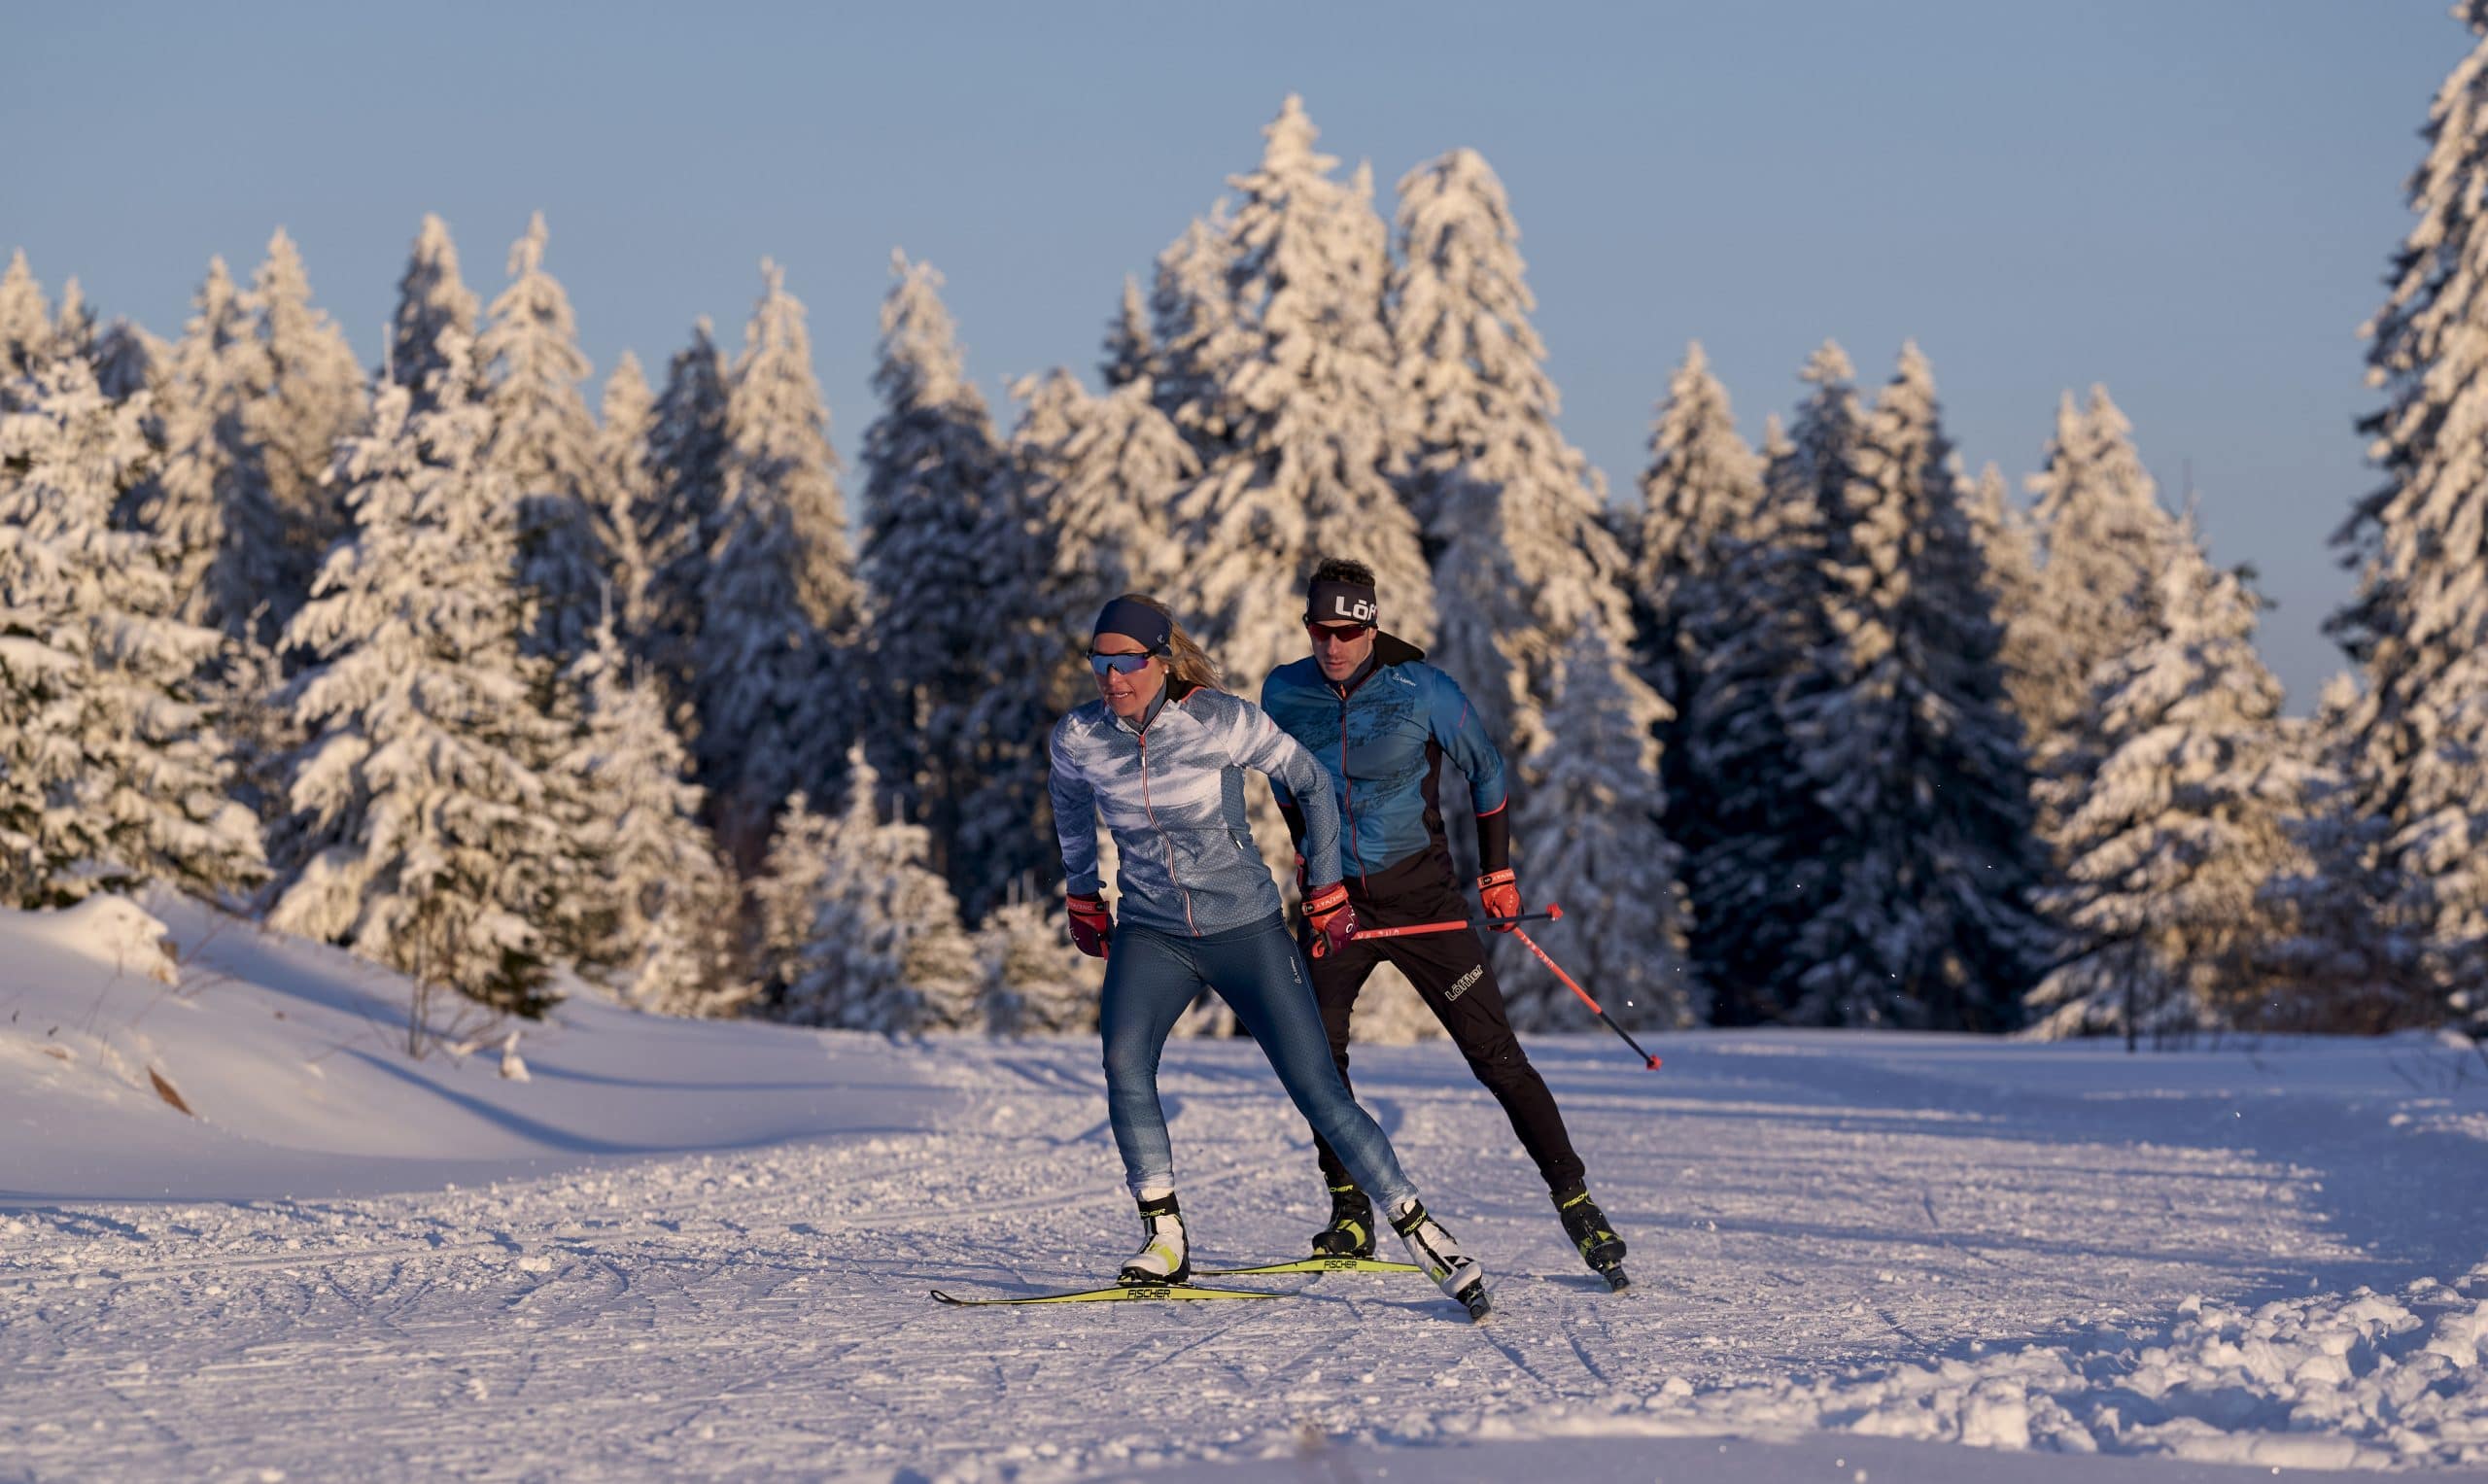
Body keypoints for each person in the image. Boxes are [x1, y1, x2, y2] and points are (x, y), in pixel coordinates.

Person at [1047, 593, 1491, 1317]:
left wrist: (1325, 884)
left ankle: (1420, 1226)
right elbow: (1067, 802)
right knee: (1125, 1060)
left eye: (1126, 661)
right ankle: (1163, 1235)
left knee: (1317, 1087)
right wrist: (1080, 891)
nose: (1111, 677)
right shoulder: (1080, 736)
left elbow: (1312, 784)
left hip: (1245, 929)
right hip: (1153, 933)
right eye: (1099, 662)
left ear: (1160, 660)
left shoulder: (1222, 719)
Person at [1260, 558, 1630, 1286]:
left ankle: (1576, 1199)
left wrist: (1497, 873)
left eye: (1345, 630)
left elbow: (1486, 770)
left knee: (1496, 1057)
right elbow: (1285, 784)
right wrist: (1313, 867)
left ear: (1370, 626)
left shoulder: (1424, 691)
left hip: (1424, 900)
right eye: (1318, 629)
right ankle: (1349, 1207)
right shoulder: (1283, 691)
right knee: (1317, 1059)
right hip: (1338, 906)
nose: (1331, 644)